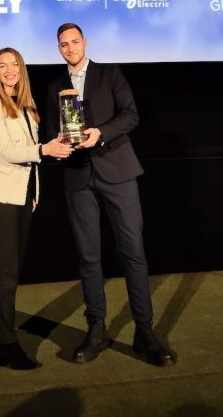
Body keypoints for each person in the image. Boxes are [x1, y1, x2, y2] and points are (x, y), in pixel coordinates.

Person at [47, 24, 173, 366]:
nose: (70, 48)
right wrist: (59, 142)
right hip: (78, 176)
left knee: (133, 252)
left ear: (85, 42)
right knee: (88, 257)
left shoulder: (109, 73)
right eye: (64, 44)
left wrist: (100, 133)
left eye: (75, 42)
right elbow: (50, 129)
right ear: (58, 49)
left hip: (117, 171)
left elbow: (130, 115)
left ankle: (144, 332)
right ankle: (96, 330)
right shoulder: (55, 86)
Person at [0, 47, 73, 370]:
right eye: (2, 65)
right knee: (6, 275)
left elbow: (32, 154)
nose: (9, 70)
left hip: (21, 196)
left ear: (22, 69)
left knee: (8, 273)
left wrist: (35, 189)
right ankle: (6, 345)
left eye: (14, 64)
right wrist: (45, 149)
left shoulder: (27, 107)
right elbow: (7, 151)